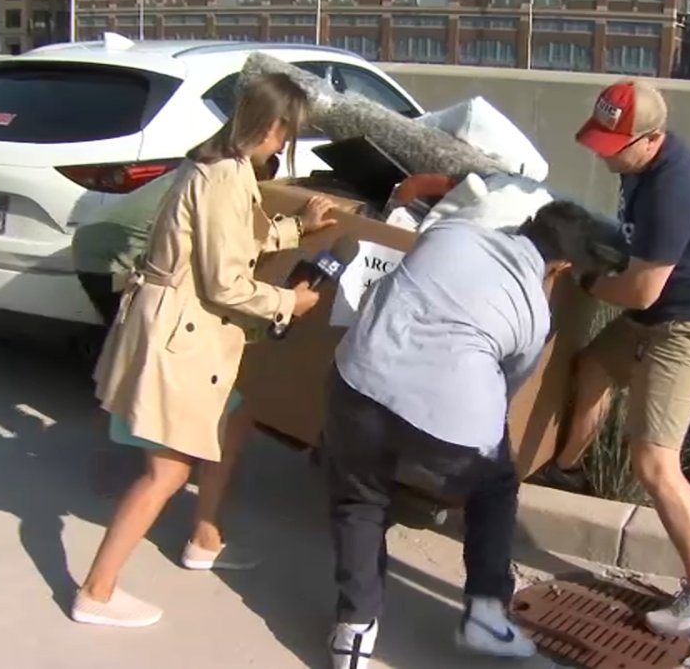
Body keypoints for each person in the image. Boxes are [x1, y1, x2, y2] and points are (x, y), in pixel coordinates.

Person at [70, 72, 337, 628]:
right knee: (165, 473)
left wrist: (294, 229)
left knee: (233, 426)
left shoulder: (227, 169)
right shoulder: (219, 176)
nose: (285, 147)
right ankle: (96, 591)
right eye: (287, 134)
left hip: (192, 336)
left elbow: (232, 239)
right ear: (272, 126)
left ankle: (205, 538)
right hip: (182, 337)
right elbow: (225, 283)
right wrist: (291, 302)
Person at [322, 201, 613, 668]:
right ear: (560, 266)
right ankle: (486, 613)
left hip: (359, 383)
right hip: (446, 421)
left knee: (360, 500)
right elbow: (504, 387)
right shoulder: (534, 313)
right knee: (495, 488)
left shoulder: (450, 232)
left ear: (525, 223)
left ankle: (353, 634)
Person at [556, 80, 690, 636]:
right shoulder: (645, 165)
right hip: (660, 316)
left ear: (651, 138)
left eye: (614, 144)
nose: (602, 152)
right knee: (592, 367)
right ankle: (567, 471)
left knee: (654, 462)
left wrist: (585, 279)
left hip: (688, 330)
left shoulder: (669, 189)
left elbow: (639, 292)